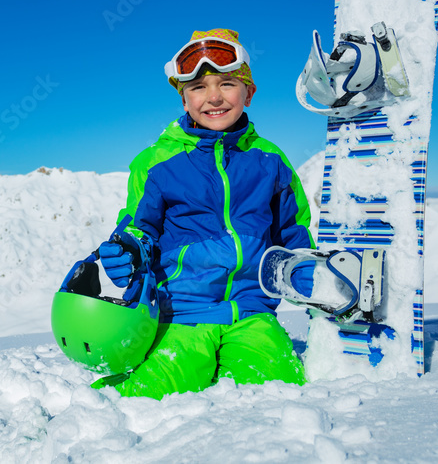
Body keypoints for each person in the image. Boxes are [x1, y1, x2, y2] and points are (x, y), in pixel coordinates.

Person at [92, 28, 315, 400]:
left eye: (227, 83)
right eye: (197, 87)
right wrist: (127, 250)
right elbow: (139, 226)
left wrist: (303, 268)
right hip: (181, 313)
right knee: (145, 396)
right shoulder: (158, 163)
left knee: (280, 392)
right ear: (183, 100)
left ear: (249, 92)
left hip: (252, 313)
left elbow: (291, 229)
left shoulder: (270, 160)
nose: (213, 97)